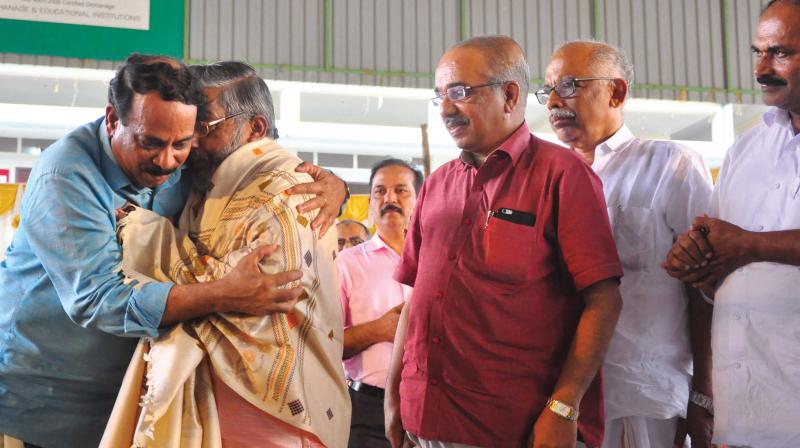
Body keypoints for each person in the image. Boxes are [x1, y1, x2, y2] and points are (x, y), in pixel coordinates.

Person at [0, 55, 346, 448]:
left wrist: (333, 184)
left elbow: (257, 160)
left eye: (183, 142)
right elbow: (97, 299)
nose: (167, 161)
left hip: (126, 399)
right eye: (151, 143)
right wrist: (224, 293)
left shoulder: (189, 166)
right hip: (42, 402)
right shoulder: (65, 176)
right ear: (113, 120)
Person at [384, 35, 624, 448]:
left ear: (509, 95)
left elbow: (603, 300)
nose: (445, 109)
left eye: (459, 93)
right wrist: (393, 396)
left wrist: (563, 407)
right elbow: (416, 302)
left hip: (516, 429)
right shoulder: (438, 185)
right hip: (423, 423)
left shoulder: (561, 176)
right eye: (439, 95)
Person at [102, 60, 350, 448]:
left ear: (255, 128)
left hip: (273, 418)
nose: (191, 142)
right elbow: (221, 283)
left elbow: (255, 294)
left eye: (205, 126)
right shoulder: (206, 182)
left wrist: (142, 232)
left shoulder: (292, 192)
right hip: (214, 408)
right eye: (188, 127)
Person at [540, 41, 714, 447]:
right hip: (555, 398)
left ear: (616, 92)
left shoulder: (669, 166)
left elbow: (705, 290)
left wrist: (703, 394)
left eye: (568, 85)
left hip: (642, 395)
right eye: (546, 89)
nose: (552, 102)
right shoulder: (542, 178)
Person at [664, 1, 800, 446]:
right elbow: (721, 255)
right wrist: (697, 260)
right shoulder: (747, 148)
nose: (763, 68)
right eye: (757, 52)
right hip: (745, 412)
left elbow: (741, 245)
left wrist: (748, 244)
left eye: (780, 52)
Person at [338, 158, 421, 447]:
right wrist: (379, 329)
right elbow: (322, 344)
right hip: (367, 410)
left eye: (401, 191)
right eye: (380, 192)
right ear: (371, 204)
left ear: (419, 200)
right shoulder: (346, 264)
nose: (390, 199)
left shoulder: (441, 262)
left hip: (431, 409)